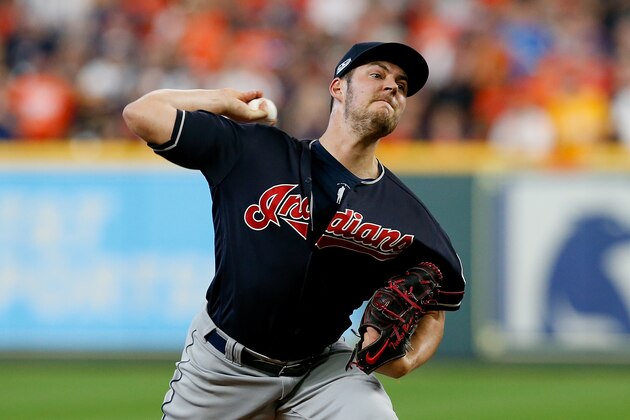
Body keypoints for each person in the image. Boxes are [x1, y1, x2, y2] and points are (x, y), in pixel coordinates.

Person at [123, 41, 466, 419]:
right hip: (222, 369)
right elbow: (142, 114)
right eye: (376, 75)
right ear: (338, 87)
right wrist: (220, 100)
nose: (392, 87)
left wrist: (406, 360)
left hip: (322, 371)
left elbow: (438, 301)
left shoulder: (407, 215)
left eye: (401, 85)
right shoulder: (254, 152)